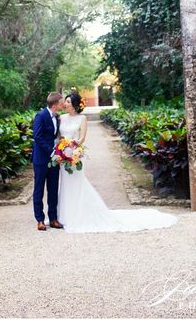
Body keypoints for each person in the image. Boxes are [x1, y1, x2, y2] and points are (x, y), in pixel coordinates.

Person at [57, 91, 178, 233]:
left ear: (75, 105)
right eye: (65, 101)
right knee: (65, 183)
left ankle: (78, 215)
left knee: (77, 182)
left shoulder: (82, 118)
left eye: (68, 102)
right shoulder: (61, 118)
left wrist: (72, 145)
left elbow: (82, 138)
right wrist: (61, 148)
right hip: (63, 154)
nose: (65, 104)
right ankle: (64, 215)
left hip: (75, 154)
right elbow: (59, 136)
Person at [31, 92, 65, 231]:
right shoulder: (41, 115)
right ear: (55, 104)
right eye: (62, 103)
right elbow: (37, 137)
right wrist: (52, 152)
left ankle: (53, 218)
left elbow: (55, 136)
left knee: (53, 189)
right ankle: (40, 219)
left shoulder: (57, 117)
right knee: (39, 189)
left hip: (54, 160)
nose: (63, 104)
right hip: (41, 159)